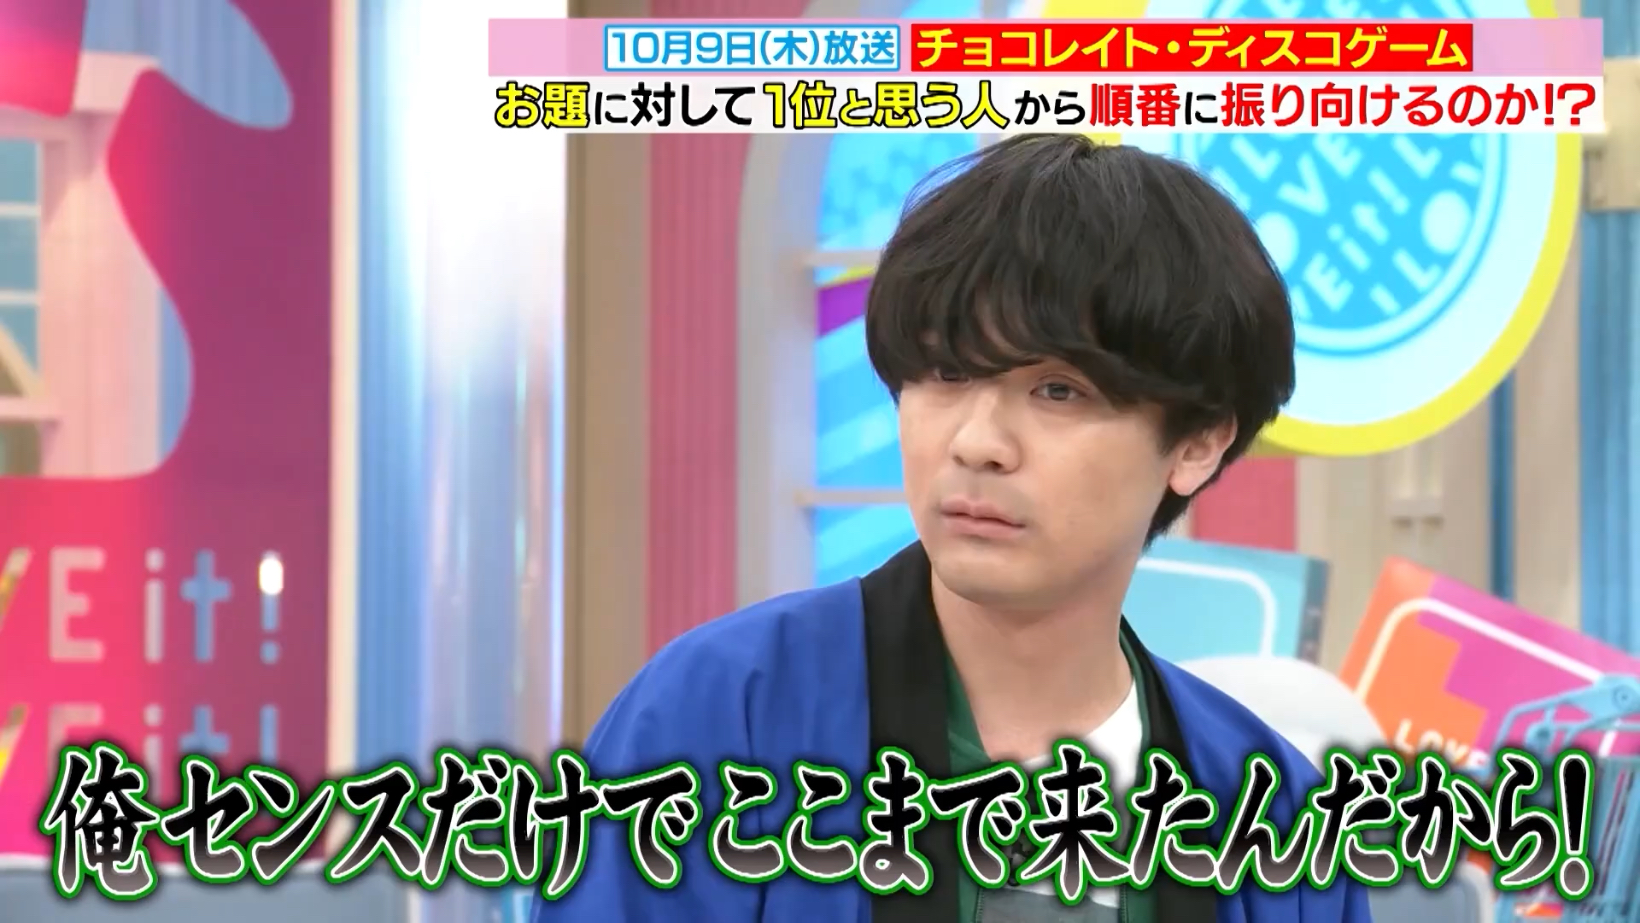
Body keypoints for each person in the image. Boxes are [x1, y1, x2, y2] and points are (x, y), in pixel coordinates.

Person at [534, 135, 1373, 923]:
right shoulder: (719, 719)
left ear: (1197, 442)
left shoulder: (1276, 816)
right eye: (945, 371)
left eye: (1058, 390)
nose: (976, 443)